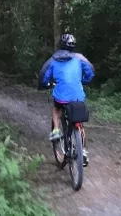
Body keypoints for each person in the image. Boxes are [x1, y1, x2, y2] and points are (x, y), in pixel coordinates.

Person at [38, 33, 94, 166]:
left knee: (57, 109)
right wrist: (84, 80)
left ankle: (56, 130)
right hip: (77, 97)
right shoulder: (79, 58)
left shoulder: (53, 60)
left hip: (61, 98)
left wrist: (44, 85)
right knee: (79, 122)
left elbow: (43, 75)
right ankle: (84, 151)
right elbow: (91, 71)